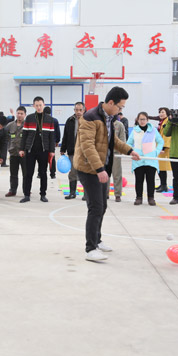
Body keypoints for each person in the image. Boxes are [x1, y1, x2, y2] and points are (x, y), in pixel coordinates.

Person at [74, 87, 139, 262]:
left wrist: (129, 150)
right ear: (111, 103)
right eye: (120, 107)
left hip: (102, 167)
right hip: (89, 169)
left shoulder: (110, 117)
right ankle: (90, 248)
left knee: (102, 207)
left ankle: (97, 239)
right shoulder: (90, 117)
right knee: (95, 207)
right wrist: (99, 169)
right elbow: (87, 146)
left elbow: (112, 140)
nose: (120, 110)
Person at [19, 96, 56, 203]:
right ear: (33, 106)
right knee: (28, 173)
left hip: (44, 150)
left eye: (40, 105)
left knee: (43, 173)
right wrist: (22, 149)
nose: (39, 107)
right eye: (37, 105)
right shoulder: (29, 118)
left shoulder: (49, 119)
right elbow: (24, 135)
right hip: (30, 150)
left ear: (44, 105)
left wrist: (52, 151)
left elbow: (52, 137)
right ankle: (26, 195)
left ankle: (43, 194)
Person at [127, 112, 164, 206]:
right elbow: (128, 144)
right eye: (140, 119)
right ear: (137, 120)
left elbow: (160, 142)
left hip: (151, 159)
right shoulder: (134, 131)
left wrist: (156, 152)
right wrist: (132, 152)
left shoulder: (153, 130)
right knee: (139, 180)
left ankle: (151, 198)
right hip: (138, 160)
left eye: (144, 119)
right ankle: (138, 197)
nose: (142, 121)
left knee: (150, 180)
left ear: (147, 120)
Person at [60, 102, 85, 199]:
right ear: (74, 110)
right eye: (76, 110)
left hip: (85, 152)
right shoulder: (70, 120)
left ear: (84, 110)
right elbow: (65, 135)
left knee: (85, 173)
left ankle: (86, 194)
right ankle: (72, 193)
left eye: (80, 110)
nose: (78, 112)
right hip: (73, 151)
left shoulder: (89, 120)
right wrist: (63, 149)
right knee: (73, 172)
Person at [4, 106, 27, 197]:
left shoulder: (27, 125)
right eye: (18, 113)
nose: (19, 115)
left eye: (21, 113)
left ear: (25, 115)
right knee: (13, 174)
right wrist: (8, 147)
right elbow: (5, 137)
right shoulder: (10, 125)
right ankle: (12, 190)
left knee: (26, 174)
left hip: (24, 154)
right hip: (13, 153)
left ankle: (26, 191)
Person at [149, 107, 172, 192]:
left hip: (163, 148)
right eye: (160, 112)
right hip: (159, 146)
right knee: (159, 167)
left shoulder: (167, 122)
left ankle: (164, 185)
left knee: (162, 167)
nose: (161, 114)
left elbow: (167, 136)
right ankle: (162, 184)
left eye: (163, 112)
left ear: (167, 113)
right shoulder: (162, 121)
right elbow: (156, 118)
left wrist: (163, 147)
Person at [111, 118, 126, 202]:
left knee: (117, 174)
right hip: (104, 153)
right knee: (104, 174)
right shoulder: (103, 122)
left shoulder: (119, 125)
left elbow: (122, 139)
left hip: (115, 153)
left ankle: (117, 194)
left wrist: (122, 150)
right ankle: (104, 193)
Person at [44, 107, 61, 179]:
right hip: (52, 142)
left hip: (43, 142)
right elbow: (58, 132)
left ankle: (40, 173)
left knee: (42, 158)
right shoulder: (55, 120)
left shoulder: (42, 120)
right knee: (52, 158)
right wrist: (57, 141)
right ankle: (53, 174)